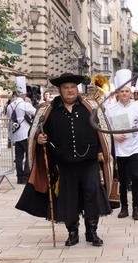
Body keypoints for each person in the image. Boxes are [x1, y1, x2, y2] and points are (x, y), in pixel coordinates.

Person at [16, 73, 113, 247]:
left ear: (78, 89)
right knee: (69, 199)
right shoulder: (48, 111)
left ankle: (92, 231)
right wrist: (39, 139)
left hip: (89, 162)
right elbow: (37, 132)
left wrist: (100, 151)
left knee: (92, 196)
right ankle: (73, 233)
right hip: (64, 164)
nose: (70, 91)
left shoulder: (90, 107)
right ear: (60, 90)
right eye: (66, 88)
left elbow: (102, 132)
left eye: (73, 87)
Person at [105, 69, 138, 220]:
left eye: (127, 91)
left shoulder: (137, 108)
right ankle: (124, 208)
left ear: (131, 93)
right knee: (122, 180)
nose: (124, 94)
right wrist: (114, 136)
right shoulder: (110, 109)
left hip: (135, 147)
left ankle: (136, 208)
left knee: (135, 177)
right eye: (121, 91)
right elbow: (106, 130)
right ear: (117, 93)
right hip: (120, 150)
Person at [6, 76, 36, 184]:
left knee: (18, 157)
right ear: (23, 94)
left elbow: (8, 120)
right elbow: (35, 112)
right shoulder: (25, 104)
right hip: (25, 134)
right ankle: (26, 177)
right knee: (28, 156)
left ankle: (19, 177)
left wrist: (10, 134)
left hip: (15, 135)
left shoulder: (9, 106)